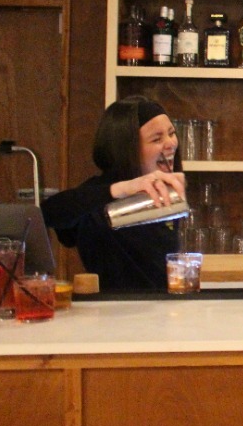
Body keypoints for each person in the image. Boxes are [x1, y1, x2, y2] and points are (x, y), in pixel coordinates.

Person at [42, 96, 186, 291]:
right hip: (112, 315)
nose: (171, 144)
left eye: (171, 133)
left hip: (164, 313)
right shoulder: (98, 196)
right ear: (126, 148)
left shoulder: (165, 192)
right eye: (157, 139)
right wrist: (122, 189)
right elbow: (49, 213)